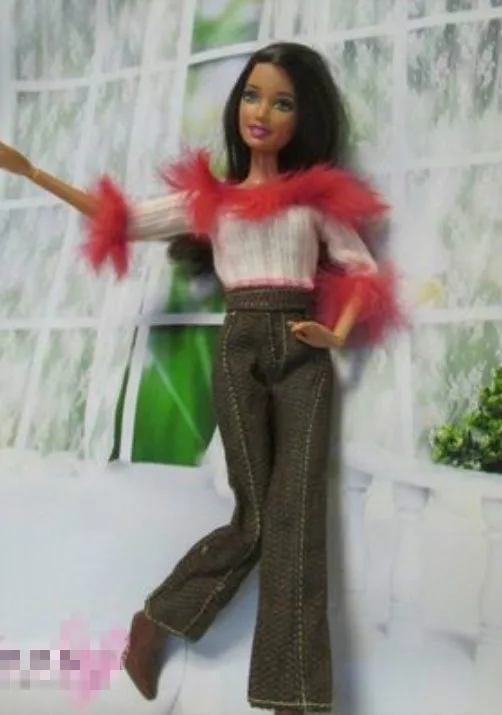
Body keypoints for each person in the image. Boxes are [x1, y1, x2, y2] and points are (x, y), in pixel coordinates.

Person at [0, 41, 401, 715]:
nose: (262, 112)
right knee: (254, 517)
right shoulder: (210, 201)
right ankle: (156, 619)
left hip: (304, 351)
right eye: (252, 96)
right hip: (239, 345)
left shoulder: (314, 201)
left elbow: (363, 271)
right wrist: (33, 171)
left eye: (282, 102)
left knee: (299, 520)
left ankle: (294, 698)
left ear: (302, 117)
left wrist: (335, 333)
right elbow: (124, 220)